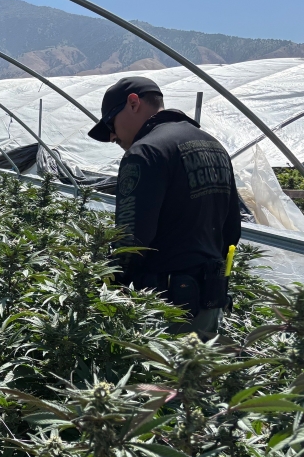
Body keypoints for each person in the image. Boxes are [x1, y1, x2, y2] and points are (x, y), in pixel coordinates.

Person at [87, 76, 241, 338]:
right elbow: (231, 231)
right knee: (194, 378)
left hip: (163, 311)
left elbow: (131, 241)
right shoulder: (214, 146)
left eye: (111, 123)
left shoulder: (145, 152)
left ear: (133, 103)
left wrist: (100, 293)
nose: (112, 135)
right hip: (208, 306)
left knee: (152, 379)